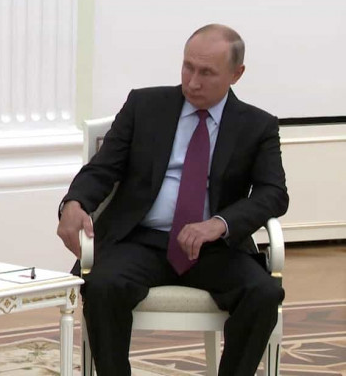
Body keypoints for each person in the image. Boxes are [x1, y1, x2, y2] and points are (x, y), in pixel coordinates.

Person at [57, 24, 288, 375]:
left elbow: (274, 193)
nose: (192, 82)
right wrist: (74, 202)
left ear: (236, 74)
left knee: (264, 294)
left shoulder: (258, 126)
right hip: (140, 240)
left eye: (206, 73)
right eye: (187, 67)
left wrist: (220, 224)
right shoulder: (144, 106)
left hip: (215, 249)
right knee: (103, 286)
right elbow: (103, 169)